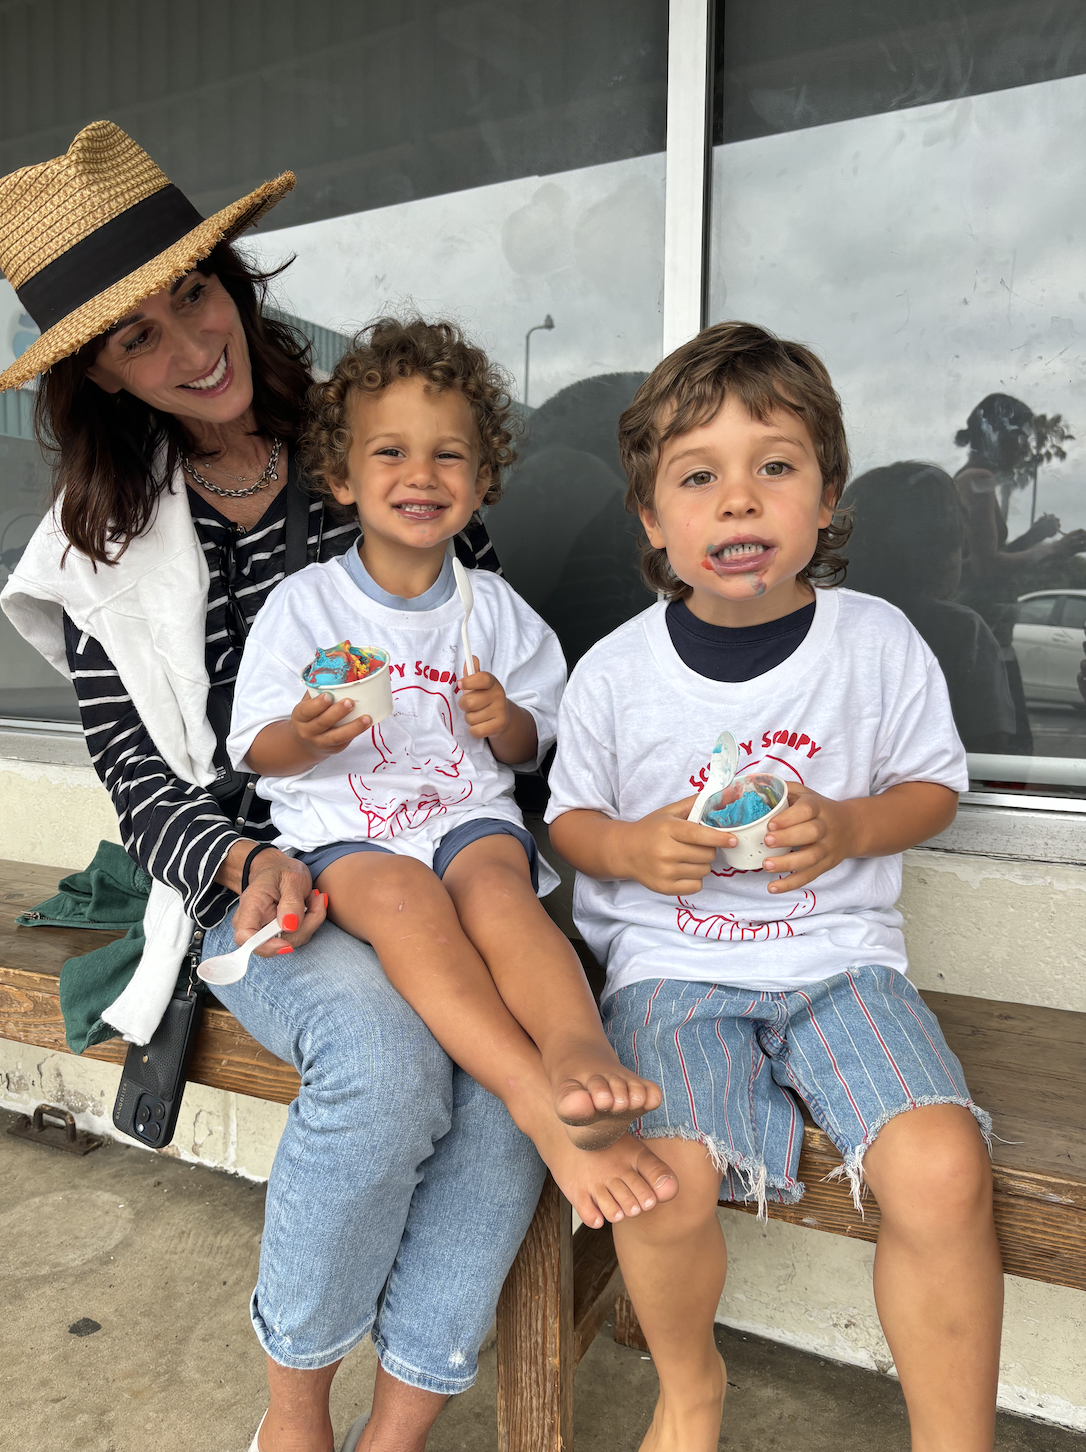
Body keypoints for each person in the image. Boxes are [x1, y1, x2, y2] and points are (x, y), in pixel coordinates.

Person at [0, 123, 673, 1452]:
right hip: (273, 877)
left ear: (233, 283)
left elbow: (477, 660)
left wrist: (507, 773)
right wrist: (246, 862)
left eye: (192, 293)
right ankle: (295, 1414)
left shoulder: (378, 444)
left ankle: (399, 1426)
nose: (188, 344)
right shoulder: (101, 543)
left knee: (500, 1073)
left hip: (437, 834)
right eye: (135, 336)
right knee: (381, 1054)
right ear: (98, 375)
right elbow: (141, 780)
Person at [545, 322, 1002, 1452]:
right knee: (666, 1177)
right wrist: (632, 851)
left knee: (943, 1169)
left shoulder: (875, 642)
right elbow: (567, 822)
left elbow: (932, 791)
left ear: (826, 497)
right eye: (699, 477)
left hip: (839, 965)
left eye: (776, 468)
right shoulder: (615, 672)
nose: (739, 502)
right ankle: (692, 1387)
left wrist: (850, 824)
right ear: (654, 522)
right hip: (673, 971)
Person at [227, 319, 668, 1193]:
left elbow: (541, 739)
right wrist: (305, 735)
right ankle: (534, 1097)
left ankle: (577, 1045)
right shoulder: (305, 606)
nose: (421, 476)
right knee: (405, 900)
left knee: (504, 894)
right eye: (389, 452)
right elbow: (254, 750)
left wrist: (503, 719)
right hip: (346, 834)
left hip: (468, 815)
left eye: (449, 456)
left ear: (483, 478)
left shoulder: (493, 609)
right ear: (341, 477)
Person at [842, 461, 1015, 752]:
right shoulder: (964, 633)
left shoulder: (820, 622)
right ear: (940, 553)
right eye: (960, 542)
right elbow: (994, 751)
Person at [953, 393, 1086, 753]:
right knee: (1009, 748)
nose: (1026, 447)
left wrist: (1034, 537)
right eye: (1021, 437)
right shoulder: (978, 479)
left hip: (986, 637)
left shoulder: (973, 478)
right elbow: (987, 568)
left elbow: (985, 558)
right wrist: (1056, 548)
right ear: (997, 435)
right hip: (987, 636)